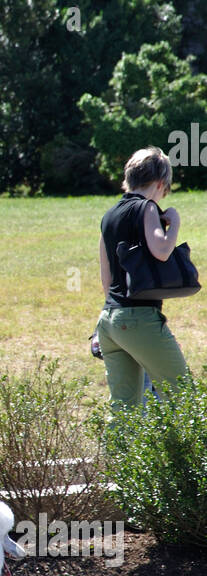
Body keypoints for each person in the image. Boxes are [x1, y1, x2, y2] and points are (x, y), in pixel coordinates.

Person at [97, 146, 189, 409]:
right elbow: (161, 251)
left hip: (110, 321)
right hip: (139, 319)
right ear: (161, 183)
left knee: (125, 409)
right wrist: (174, 222)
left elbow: (106, 277)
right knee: (184, 397)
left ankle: (115, 452)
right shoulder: (147, 207)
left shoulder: (109, 215)